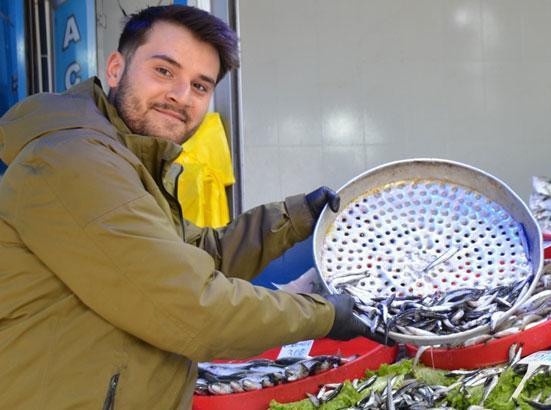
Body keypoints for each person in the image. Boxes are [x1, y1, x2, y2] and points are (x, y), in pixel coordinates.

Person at [0, 5, 382, 409]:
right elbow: (192, 308)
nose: (180, 96)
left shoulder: (129, 160)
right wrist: (324, 315)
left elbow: (197, 256)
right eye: (164, 71)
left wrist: (295, 217)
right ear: (115, 69)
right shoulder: (74, 160)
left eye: (200, 86)